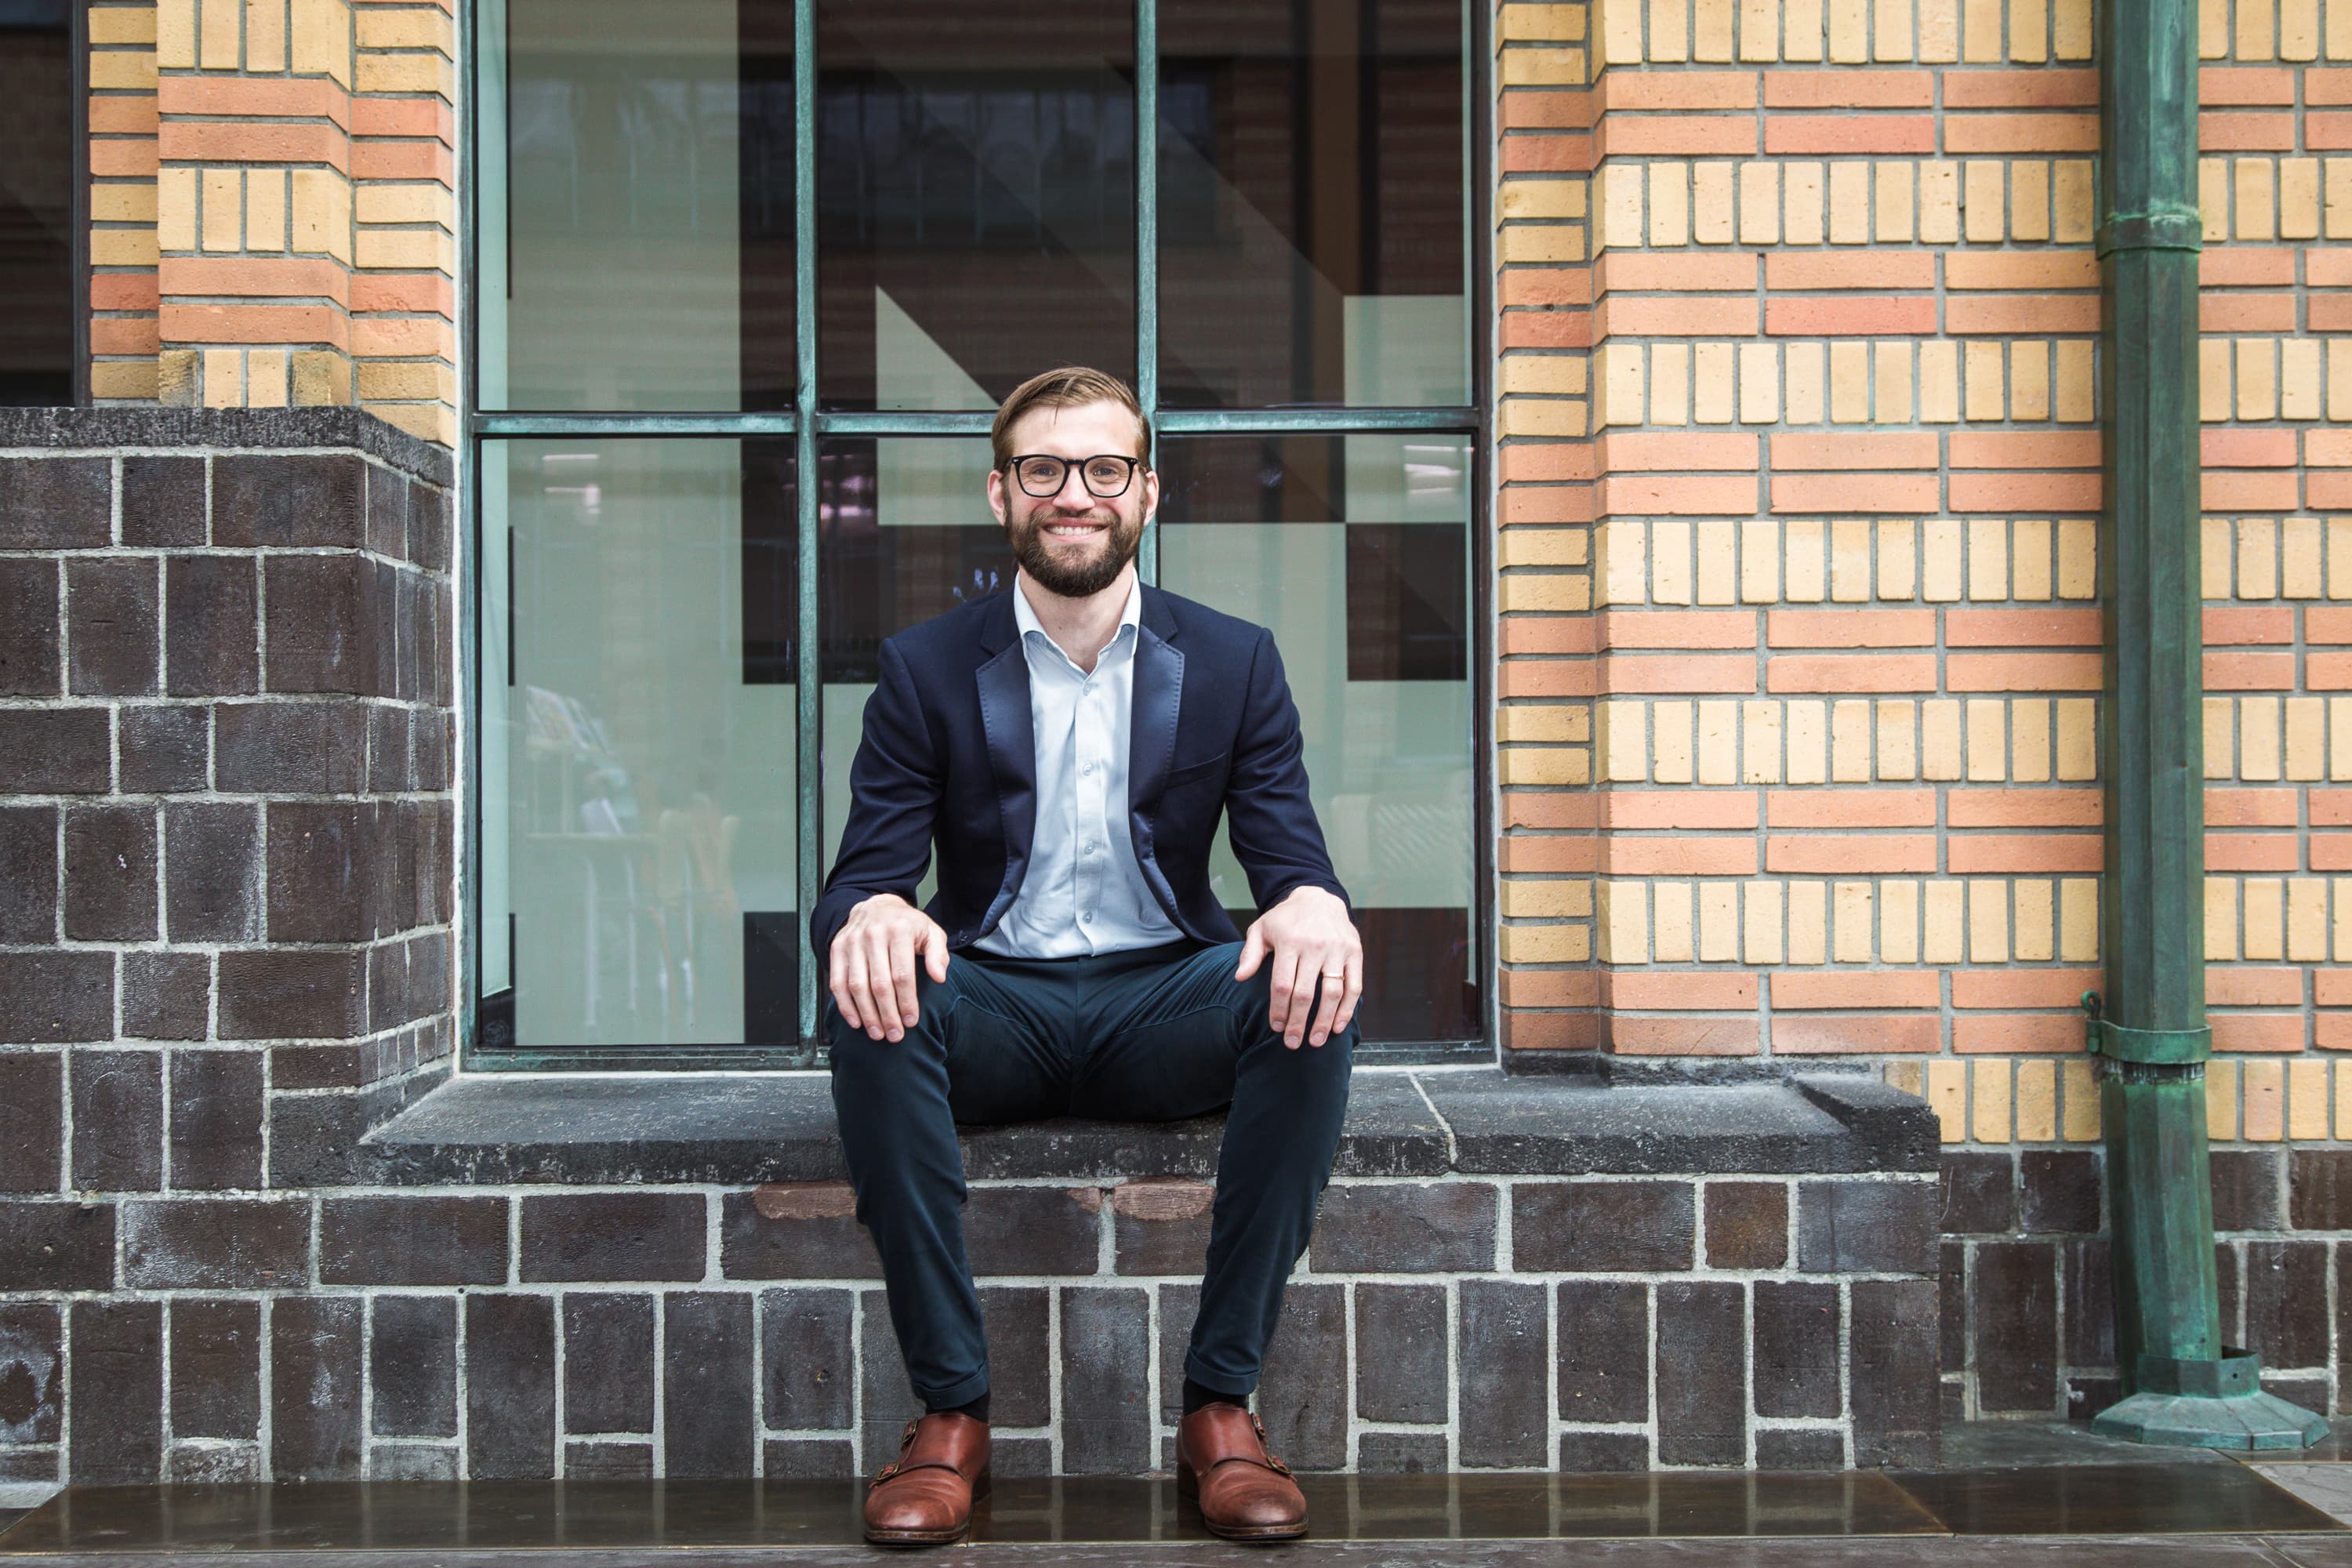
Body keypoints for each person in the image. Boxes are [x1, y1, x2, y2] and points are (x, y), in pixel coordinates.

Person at [814, 366, 1364, 1546]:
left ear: (1147, 493)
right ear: (1002, 494)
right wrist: (875, 915)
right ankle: (951, 1415)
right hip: (995, 1002)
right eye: (1046, 471)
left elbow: (1288, 856)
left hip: (1165, 996)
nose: (1077, 494)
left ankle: (1221, 1406)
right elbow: (861, 881)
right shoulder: (923, 667)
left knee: (1309, 997)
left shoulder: (1232, 662)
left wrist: (1316, 901)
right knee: (872, 999)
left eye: (1104, 470)